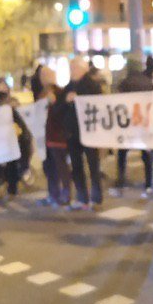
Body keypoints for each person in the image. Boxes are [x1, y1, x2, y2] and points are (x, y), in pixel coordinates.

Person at [63, 57, 106, 209]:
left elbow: (98, 105)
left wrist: (78, 98)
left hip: (89, 131)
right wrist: (65, 101)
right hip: (73, 133)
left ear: (83, 69)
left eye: (75, 68)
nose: (72, 71)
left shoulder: (92, 85)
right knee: (76, 166)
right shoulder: (68, 86)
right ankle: (82, 197)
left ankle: (96, 197)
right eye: (71, 68)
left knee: (93, 165)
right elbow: (62, 108)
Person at [0, 80, 34, 202]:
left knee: (12, 165)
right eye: (0, 86)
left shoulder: (12, 101)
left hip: (11, 137)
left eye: (4, 86)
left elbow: (20, 118)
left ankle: (12, 189)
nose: (3, 88)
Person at [113, 55, 153, 198]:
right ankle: (149, 183)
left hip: (127, 123)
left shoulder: (124, 83)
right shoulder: (149, 82)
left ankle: (121, 179)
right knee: (146, 154)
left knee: (122, 153)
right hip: (143, 123)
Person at [42, 81, 72, 207]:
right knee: (50, 168)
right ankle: (53, 193)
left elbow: (60, 116)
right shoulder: (47, 102)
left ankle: (65, 193)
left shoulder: (60, 101)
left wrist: (54, 103)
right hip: (49, 139)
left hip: (58, 139)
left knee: (61, 167)